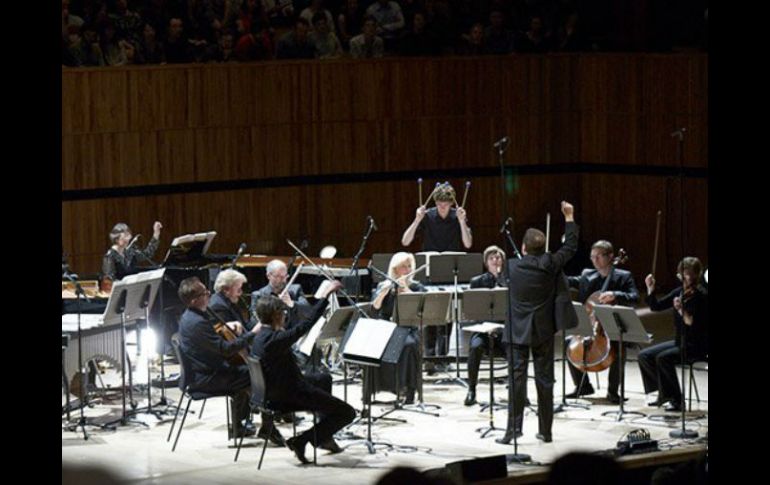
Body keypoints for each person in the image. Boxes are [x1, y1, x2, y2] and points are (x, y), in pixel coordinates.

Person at [497, 201, 578, 444]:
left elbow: (502, 282)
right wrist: (570, 217)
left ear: (523, 247)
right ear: (543, 249)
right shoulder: (550, 264)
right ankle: (546, 431)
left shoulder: (511, 267)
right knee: (545, 381)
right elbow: (570, 247)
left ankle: (513, 430)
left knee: (516, 380)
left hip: (517, 331)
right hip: (543, 330)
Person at [251, 280, 355, 464]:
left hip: (275, 390)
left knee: (323, 378)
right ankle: (304, 440)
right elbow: (305, 325)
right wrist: (325, 296)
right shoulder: (274, 340)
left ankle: (324, 435)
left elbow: (292, 329)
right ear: (276, 316)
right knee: (347, 413)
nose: (285, 315)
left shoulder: (261, 337)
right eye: (283, 313)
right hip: (289, 394)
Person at [177, 276, 274, 440]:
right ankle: (266, 426)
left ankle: (241, 424)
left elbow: (211, 340)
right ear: (194, 300)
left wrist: (228, 326)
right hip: (206, 378)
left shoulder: (191, 316)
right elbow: (226, 349)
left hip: (204, 372)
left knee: (247, 372)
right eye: (205, 293)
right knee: (259, 374)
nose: (209, 295)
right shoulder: (196, 322)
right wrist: (253, 333)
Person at [401, 182, 472, 365]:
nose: (442, 207)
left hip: (450, 272)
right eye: (439, 204)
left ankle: (443, 359)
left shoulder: (458, 216)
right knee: (431, 316)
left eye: (446, 204)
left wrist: (463, 222)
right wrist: (417, 219)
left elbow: (467, 244)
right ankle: (430, 360)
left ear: (451, 203)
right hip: (429, 273)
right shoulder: (428, 216)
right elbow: (406, 241)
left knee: (447, 319)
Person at [565, 240, 640, 403]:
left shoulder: (623, 276)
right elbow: (569, 281)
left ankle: (613, 392)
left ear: (611, 257)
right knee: (568, 343)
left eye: (598, 257)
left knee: (619, 347)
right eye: (592, 257)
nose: (595, 261)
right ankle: (583, 386)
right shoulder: (587, 274)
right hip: (591, 324)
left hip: (613, 325)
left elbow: (635, 298)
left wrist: (616, 295)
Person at [638, 257, 708, 412]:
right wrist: (650, 288)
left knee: (663, 358)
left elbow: (692, 323)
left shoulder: (702, 295)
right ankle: (663, 394)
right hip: (679, 341)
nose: (684, 277)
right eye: (682, 273)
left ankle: (676, 400)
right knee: (644, 355)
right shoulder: (679, 292)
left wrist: (681, 310)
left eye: (688, 274)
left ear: (696, 275)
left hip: (696, 345)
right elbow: (656, 307)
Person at [370, 252, 424, 404]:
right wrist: (383, 293)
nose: (407, 270)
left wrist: (407, 291)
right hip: (388, 328)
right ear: (394, 270)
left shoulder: (416, 286)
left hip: (408, 327)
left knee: (409, 344)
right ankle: (387, 387)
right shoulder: (384, 285)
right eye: (403, 267)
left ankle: (408, 389)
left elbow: (421, 308)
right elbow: (374, 310)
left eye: (409, 266)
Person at [464, 245, 506, 406]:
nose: (495, 261)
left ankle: (518, 391)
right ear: (486, 262)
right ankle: (471, 390)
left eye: (498, 257)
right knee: (475, 347)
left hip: (504, 330)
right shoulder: (477, 281)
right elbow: (472, 312)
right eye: (491, 258)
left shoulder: (509, 280)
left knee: (516, 349)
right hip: (483, 329)